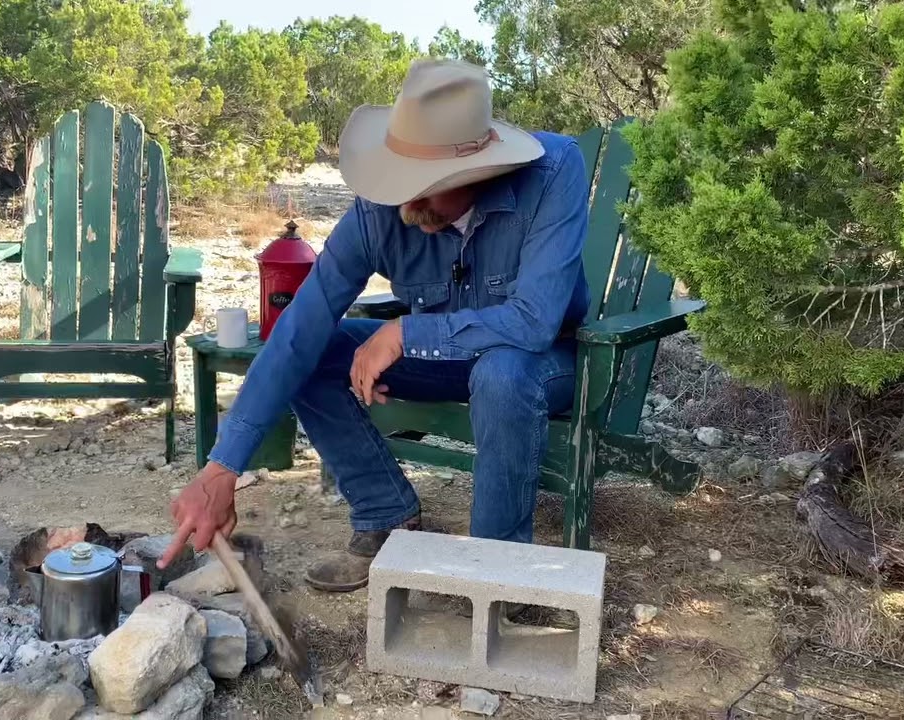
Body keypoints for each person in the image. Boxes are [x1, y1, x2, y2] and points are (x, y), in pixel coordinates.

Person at [159, 58, 590, 593]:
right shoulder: (382, 207)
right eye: (399, 178)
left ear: (481, 173)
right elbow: (301, 326)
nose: (406, 203)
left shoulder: (554, 174)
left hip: (544, 364)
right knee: (317, 352)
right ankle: (385, 516)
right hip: (444, 364)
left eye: (428, 184)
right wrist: (222, 466)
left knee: (501, 372)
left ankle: (495, 571)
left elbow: (534, 322)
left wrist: (409, 332)